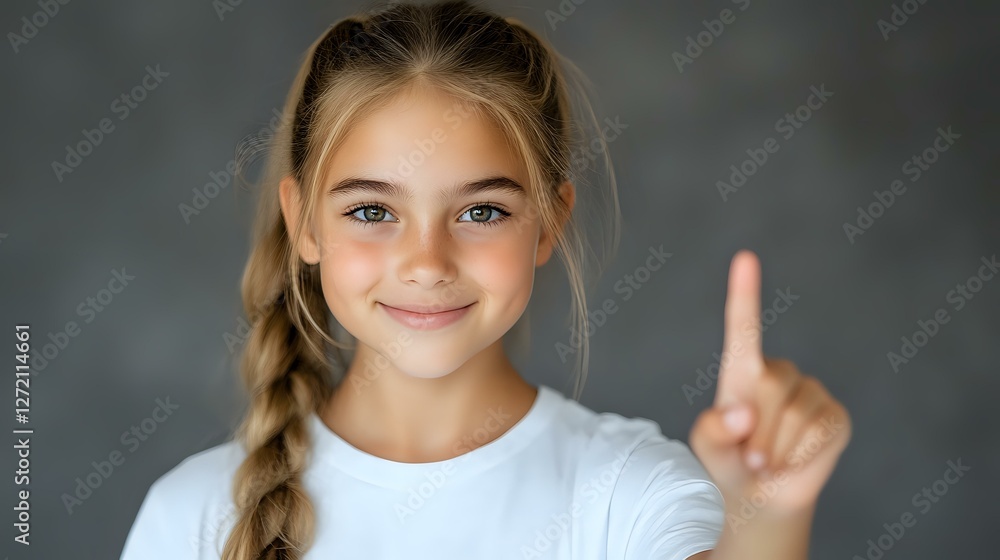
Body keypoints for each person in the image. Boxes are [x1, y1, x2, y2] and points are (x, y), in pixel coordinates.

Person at [120, 1, 851, 558]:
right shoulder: (192, 516)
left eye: (481, 210)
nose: (428, 262)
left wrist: (769, 514)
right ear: (305, 223)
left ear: (549, 221)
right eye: (373, 210)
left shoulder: (628, 493)